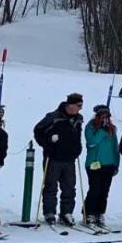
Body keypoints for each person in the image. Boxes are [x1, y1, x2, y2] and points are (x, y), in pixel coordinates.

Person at [32, 93, 84, 227]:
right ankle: (49, 212)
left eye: (81, 105)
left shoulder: (78, 119)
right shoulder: (53, 117)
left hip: (70, 159)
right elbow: (38, 130)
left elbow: (77, 136)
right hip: (53, 158)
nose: (80, 108)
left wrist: (78, 149)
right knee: (51, 186)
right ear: (70, 105)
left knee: (69, 187)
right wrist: (47, 143)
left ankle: (66, 212)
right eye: (78, 105)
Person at [82, 105, 119, 228]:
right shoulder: (91, 127)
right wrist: (102, 131)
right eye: (102, 116)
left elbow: (115, 147)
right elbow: (91, 143)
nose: (105, 119)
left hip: (108, 164)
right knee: (95, 189)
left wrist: (116, 163)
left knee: (104, 191)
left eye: (107, 116)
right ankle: (89, 213)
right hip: (94, 164)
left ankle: (99, 213)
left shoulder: (112, 129)